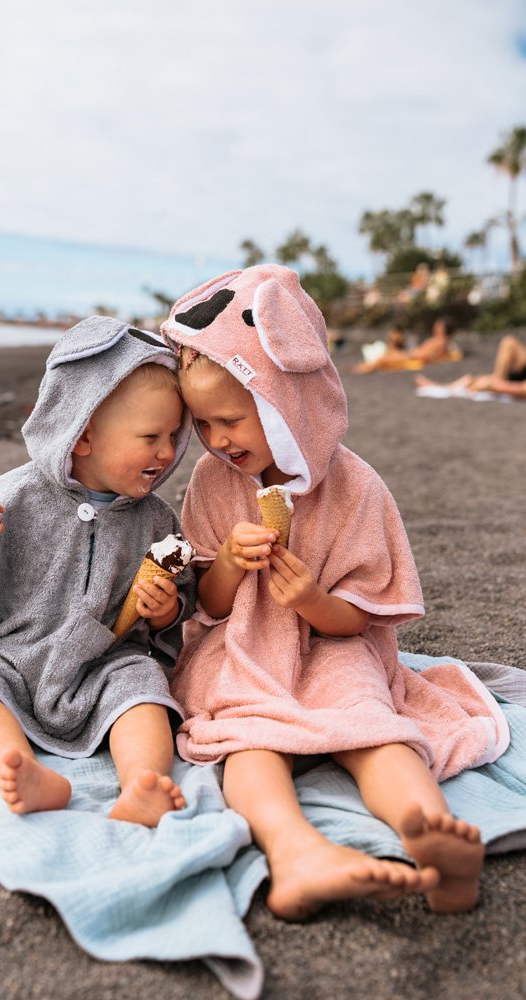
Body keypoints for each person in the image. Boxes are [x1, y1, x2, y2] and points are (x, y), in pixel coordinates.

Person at [160, 264, 508, 919]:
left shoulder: (355, 489)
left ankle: (429, 832)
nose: (217, 440)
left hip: (335, 644)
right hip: (242, 647)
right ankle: (294, 854)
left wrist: (314, 603)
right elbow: (206, 606)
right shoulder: (211, 483)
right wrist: (230, 563)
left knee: (372, 724)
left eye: (230, 419)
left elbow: (364, 616)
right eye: (202, 425)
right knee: (247, 736)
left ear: (282, 402)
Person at [0, 317, 196, 823]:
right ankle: (22, 768)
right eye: (151, 435)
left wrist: (166, 612)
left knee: (144, 690)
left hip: (103, 661)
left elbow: (182, 599)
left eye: (174, 435)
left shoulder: (157, 519)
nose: (166, 451)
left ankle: (142, 783)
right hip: (6, 654)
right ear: (83, 435)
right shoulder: (14, 495)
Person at [415, 333, 526, 399]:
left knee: (478, 382)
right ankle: (439, 386)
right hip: (516, 377)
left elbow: (519, 390)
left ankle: (439, 387)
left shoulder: (438, 341)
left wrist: (495, 386)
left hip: (515, 384)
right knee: (509, 342)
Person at [353, 316, 461, 373]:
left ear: (443, 328)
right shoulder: (439, 340)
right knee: (387, 356)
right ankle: (359, 368)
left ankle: (361, 370)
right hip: (412, 356)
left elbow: (428, 355)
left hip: (413, 358)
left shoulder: (440, 341)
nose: (435, 327)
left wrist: (409, 355)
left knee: (384, 359)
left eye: (438, 325)